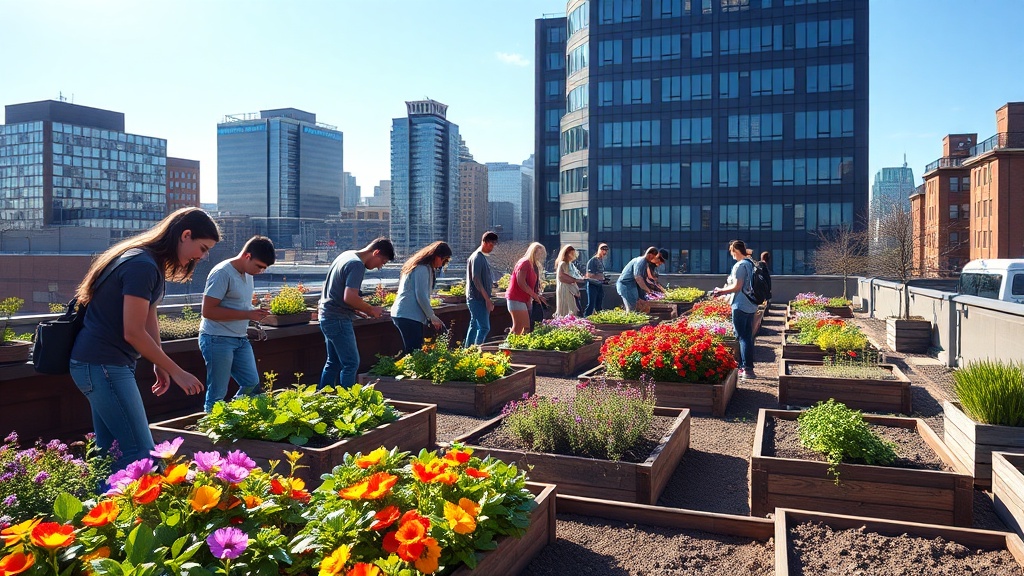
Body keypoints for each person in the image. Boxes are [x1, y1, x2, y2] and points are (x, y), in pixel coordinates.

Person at [70, 207, 218, 472]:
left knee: (110, 453)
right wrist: (177, 371)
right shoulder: (143, 266)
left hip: (99, 364)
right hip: (104, 366)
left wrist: (158, 362)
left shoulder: (147, 262)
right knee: (142, 456)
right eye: (203, 248)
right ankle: (135, 512)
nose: (203, 257)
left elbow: (149, 319)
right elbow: (134, 332)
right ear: (186, 235)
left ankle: (102, 510)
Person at [199, 235, 275, 412]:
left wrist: (254, 314)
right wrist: (248, 314)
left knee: (251, 383)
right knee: (217, 392)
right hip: (216, 338)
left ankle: (231, 416)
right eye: (259, 266)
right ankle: (212, 430)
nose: (260, 271)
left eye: (264, 268)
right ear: (247, 256)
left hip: (240, 338)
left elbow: (238, 305)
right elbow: (208, 311)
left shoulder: (248, 273)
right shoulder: (222, 273)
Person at [319, 237, 394, 389]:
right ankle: (349, 402)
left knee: (333, 362)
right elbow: (350, 296)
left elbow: (337, 293)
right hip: (338, 319)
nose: (380, 267)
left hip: (327, 316)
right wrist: (371, 309)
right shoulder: (356, 265)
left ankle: (323, 396)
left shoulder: (346, 255)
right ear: (376, 252)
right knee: (351, 363)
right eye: (382, 261)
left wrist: (356, 309)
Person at [711, 240, 759, 380]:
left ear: (735, 251)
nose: (731, 255)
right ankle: (748, 368)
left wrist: (720, 291)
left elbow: (737, 286)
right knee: (748, 336)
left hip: (740, 304)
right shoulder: (750, 263)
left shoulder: (740, 265)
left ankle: (746, 369)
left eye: (731, 252)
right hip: (751, 304)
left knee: (742, 337)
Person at [391, 241, 450, 353]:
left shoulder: (418, 266)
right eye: (443, 260)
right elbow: (421, 295)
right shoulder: (422, 268)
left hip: (405, 314)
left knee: (412, 351)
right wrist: (432, 317)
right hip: (408, 315)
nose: (443, 264)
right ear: (436, 256)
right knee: (414, 352)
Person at [464, 231, 498, 347]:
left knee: (474, 325)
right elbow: (476, 279)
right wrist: (487, 300)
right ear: (484, 242)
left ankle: (468, 350)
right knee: (484, 327)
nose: (492, 248)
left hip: (476, 298)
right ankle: (476, 350)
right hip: (477, 298)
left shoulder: (480, 257)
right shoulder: (477, 257)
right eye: (490, 245)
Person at [506, 242, 547, 335]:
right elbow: (521, 282)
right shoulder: (525, 263)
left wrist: (537, 296)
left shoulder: (533, 265)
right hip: (516, 298)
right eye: (538, 253)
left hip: (524, 299)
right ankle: (508, 347)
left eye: (541, 254)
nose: (539, 256)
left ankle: (514, 346)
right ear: (533, 252)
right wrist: (534, 296)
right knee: (520, 327)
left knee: (523, 328)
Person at [616, 247, 663, 312]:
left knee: (641, 306)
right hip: (626, 285)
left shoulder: (645, 263)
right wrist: (648, 290)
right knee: (632, 308)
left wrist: (655, 289)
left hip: (633, 285)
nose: (653, 259)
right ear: (650, 255)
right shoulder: (640, 261)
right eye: (654, 256)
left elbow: (646, 279)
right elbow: (638, 278)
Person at [554, 244, 583, 317]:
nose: (573, 255)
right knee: (567, 311)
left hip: (572, 290)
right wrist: (574, 280)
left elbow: (575, 277)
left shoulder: (571, 264)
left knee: (576, 310)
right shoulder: (563, 264)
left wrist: (576, 289)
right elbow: (561, 277)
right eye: (571, 253)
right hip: (566, 289)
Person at [585, 243, 609, 316]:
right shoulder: (593, 261)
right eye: (603, 250)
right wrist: (599, 277)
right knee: (591, 304)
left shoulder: (601, 261)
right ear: (599, 250)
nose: (604, 252)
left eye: (606, 250)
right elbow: (588, 275)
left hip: (599, 284)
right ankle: (586, 318)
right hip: (592, 284)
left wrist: (603, 279)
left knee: (599, 304)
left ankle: (599, 318)